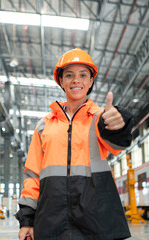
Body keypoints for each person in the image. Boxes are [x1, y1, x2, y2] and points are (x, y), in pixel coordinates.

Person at [16, 48, 132, 240]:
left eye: (83, 75)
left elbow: (118, 144)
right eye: (69, 75)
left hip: (96, 221)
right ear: (61, 81)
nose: (76, 80)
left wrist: (120, 123)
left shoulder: (100, 119)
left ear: (91, 81)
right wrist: (27, 220)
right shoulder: (44, 125)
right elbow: (32, 175)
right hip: (52, 221)